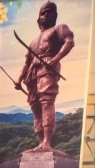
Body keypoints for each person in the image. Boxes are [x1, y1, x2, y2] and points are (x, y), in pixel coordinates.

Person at [15, 1, 74, 151]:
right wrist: (19, 80)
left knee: (47, 102)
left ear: (55, 15)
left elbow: (69, 43)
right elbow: (26, 63)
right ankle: (41, 141)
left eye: (49, 12)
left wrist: (54, 60)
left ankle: (47, 141)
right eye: (43, 13)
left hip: (47, 69)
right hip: (31, 75)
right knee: (35, 108)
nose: (46, 15)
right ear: (39, 18)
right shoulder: (33, 41)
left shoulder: (59, 28)